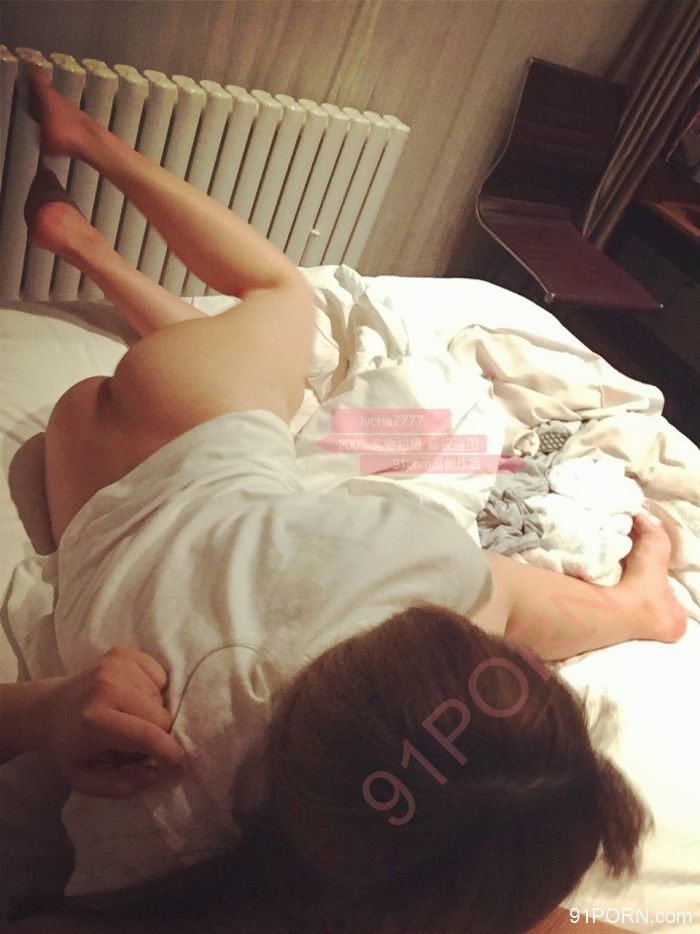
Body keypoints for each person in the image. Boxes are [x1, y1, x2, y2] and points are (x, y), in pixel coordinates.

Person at [0, 65, 688, 933]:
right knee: (279, 398)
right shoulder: (161, 842)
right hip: (86, 486)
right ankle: (85, 242)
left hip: (173, 422)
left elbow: (516, 609)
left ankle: (92, 148)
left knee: (279, 295)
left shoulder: (412, 562)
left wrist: (632, 609)